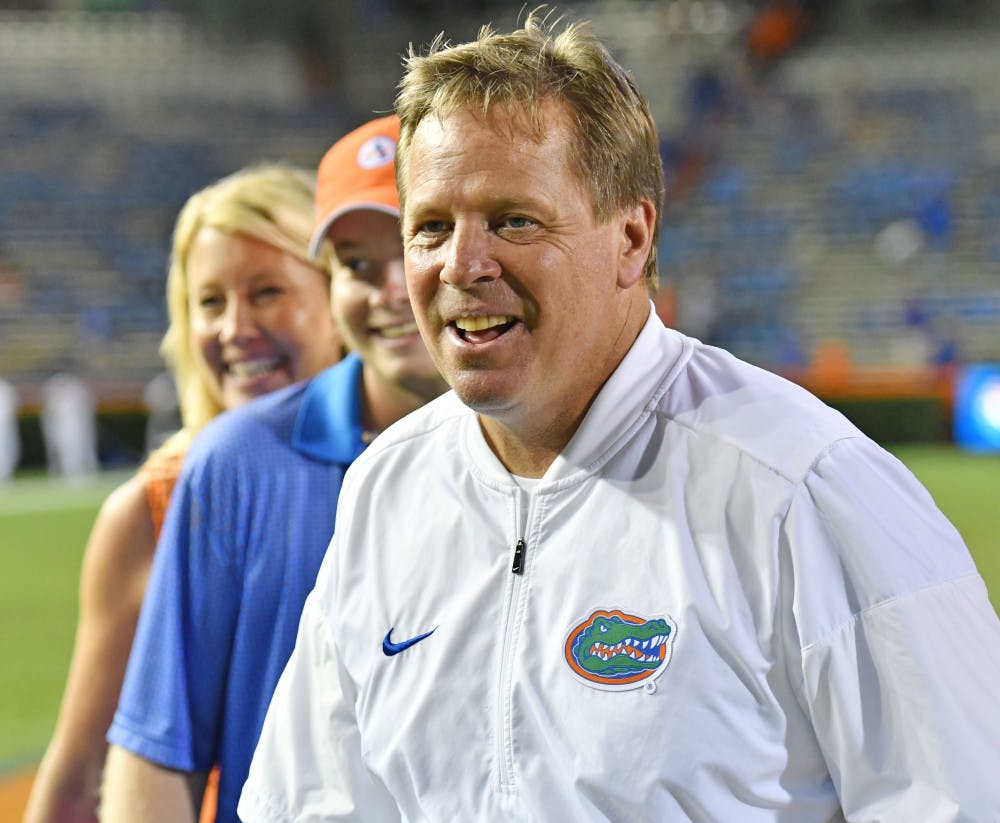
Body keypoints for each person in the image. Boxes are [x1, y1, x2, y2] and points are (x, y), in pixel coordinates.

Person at [240, 13, 1000, 822]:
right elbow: (311, 804)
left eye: (512, 219)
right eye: (430, 227)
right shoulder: (387, 491)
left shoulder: (803, 488)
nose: (461, 265)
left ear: (631, 238)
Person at [100, 115, 446, 823]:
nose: (386, 289)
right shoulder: (233, 461)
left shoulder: (552, 450)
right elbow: (157, 750)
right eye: (354, 263)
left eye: (414, 243)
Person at [23, 162, 342, 823]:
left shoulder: (424, 470)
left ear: (339, 294)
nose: (235, 327)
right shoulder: (153, 505)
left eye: (267, 291)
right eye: (210, 301)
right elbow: (80, 776)